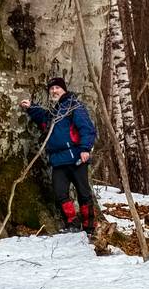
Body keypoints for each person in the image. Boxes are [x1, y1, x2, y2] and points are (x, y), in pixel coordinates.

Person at [19, 76, 97, 234]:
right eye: (51, 89)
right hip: (57, 160)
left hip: (76, 157)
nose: (54, 91)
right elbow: (43, 118)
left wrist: (85, 149)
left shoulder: (73, 106)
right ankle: (73, 223)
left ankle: (90, 227)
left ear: (64, 89)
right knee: (60, 193)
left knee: (83, 193)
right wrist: (31, 107)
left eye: (57, 88)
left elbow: (86, 128)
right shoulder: (54, 111)